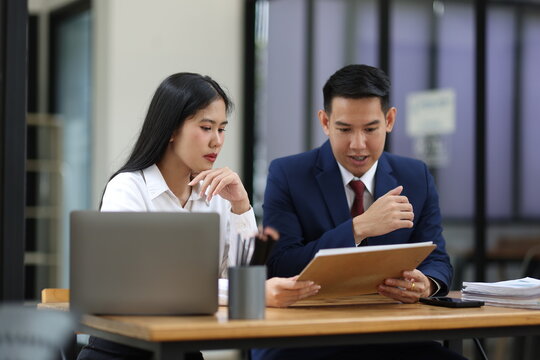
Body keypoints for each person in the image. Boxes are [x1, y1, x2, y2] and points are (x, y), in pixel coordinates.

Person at [77, 72, 320, 360]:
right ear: (170, 130)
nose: (217, 141)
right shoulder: (128, 188)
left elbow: (246, 277)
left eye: (222, 129)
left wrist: (241, 206)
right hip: (122, 352)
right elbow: (143, 287)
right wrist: (245, 293)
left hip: (184, 349)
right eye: (206, 127)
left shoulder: (218, 195)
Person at [252, 64, 464, 360]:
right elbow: (280, 266)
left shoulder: (415, 176)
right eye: (344, 129)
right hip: (304, 337)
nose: (358, 144)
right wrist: (358, 228)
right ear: (325, 122)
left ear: (389, 120)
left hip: (392, 335)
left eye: (370, 129)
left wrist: (426, 284)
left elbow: (437, 259)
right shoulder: (287, 174)